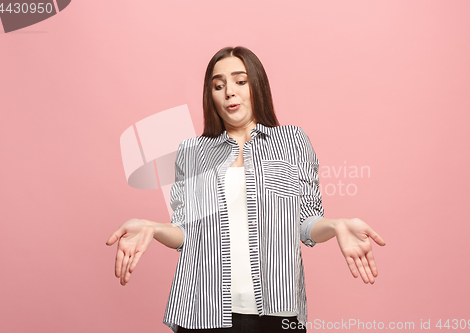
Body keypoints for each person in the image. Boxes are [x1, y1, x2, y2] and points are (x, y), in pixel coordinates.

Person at [106, 46, 386, 333]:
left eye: (240, 81)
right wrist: (152, 227)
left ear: (257, 86)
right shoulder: (191, 151)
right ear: (211, 95)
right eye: (218, 85)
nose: (229, 91)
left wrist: (338, 225)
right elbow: (186, 232)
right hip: (204, 310)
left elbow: (305, 222)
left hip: (277, 312)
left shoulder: (292, 141)